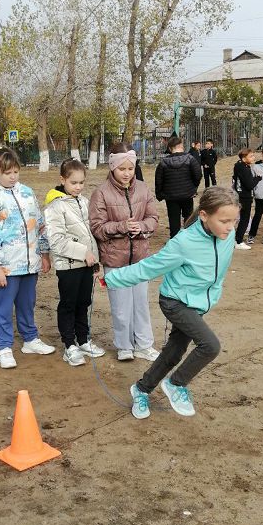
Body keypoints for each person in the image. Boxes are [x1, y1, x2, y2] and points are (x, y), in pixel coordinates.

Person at [104, 186, 239, 419]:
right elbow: (149, 267)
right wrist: (110, 278)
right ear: (204, 215)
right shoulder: (184, 242)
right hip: (175, 302)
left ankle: (141, 389)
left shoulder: (227, 235)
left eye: (234, 220)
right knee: (210, 345)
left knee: (174, 353)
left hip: (197, 303)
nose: (230, 226)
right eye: (224, 221)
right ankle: (176, 384)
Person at [0, 147, 54, 368]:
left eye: (16, 172)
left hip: (30, 262)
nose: (12, 177)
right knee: (3, 307)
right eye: (7, 173)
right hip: (6, 266)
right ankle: (4, 348)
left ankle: (30, 339)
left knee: (27, 303)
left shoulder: (26, 192)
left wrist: (44, 253)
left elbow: (39, 224)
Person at [89, 143, 159, 362]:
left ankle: (144, 345)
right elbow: (97, 227)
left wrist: (142, 226)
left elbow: (153, 218)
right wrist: (121, 226)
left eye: (130, 168)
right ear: (112, 167)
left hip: (140, 259)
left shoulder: (144, 189)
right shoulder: (101, 193)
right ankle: (124, 346)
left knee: (141, 304)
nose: (127, 173)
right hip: (114, 260)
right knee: (120, 307)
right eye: (122, 169)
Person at [44, 158, 105, 367]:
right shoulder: (55, 206)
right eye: (73, 183)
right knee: (68, 305)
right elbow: (56, 241)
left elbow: (90, 233)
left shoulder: (84, 202)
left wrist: (95, 259)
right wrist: (83, 252)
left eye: (81, 182)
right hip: (68, 266)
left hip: (87, 265)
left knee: (84, 303)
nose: (78, 187)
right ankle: (69, 345)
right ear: (63, 180)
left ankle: (83, 339)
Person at [154, 135, 201, 238]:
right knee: (189, 218)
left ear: (170, 148)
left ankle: (174, 240)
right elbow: (198, 175)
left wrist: (160, 194)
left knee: (173, 220)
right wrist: (193, 188)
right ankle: (189, 239)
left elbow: (158, 180)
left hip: (171, 197)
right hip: (187, 194)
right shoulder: (190, 159)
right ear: (181, 146)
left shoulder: (163, 162)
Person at [232, 148, 261, 249]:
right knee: (244, 219)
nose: (253, 158)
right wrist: (258, 178)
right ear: (244, 158)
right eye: (251, 156)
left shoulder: (239, 165)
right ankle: (238, 241)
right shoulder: (244, 169)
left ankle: (235, 239)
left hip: (239, 195)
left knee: (239, 218)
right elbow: (249, 185)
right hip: (244, 197)